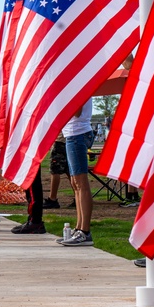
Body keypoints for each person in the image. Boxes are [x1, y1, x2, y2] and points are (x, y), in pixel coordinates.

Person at [58, 99, 95, 247]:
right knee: (75, 183)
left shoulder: (77, 84)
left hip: (77, 133)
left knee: (81, 183)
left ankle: (85, 231)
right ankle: (79, 228)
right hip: (73, 134)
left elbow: (77, 111)